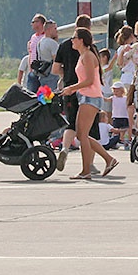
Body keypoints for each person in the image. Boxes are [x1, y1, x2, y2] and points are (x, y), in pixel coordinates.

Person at [59, 27, 119, 180]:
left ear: (81, 40)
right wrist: (73, 90)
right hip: (85, 97)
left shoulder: (87, 56)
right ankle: (107, 160)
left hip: (91, 97)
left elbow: (90, 81)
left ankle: (87, 170)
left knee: (82, 135)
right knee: (81, 135)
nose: (72, 40)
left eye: (74, 37)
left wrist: (72, 88)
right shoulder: (83, 56)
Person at [53, 14, 95, 171]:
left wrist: (64, 75)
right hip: (87, 90)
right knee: (89, 128)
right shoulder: (90, 48)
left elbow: (55, 68)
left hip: (69, 87)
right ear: (89, 28)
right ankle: (89, 163)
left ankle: (65, 148)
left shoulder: (64, 45)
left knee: (71, 121)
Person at [25, 13, 47, 93]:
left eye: (34, 22)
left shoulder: (46, 36)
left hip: (44, 71)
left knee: (45, 95)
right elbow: (30, 53)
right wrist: (30, 68)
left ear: (40, 23)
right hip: (33, 70)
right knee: (31, 93)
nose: (32, 24)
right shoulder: (33, 37)